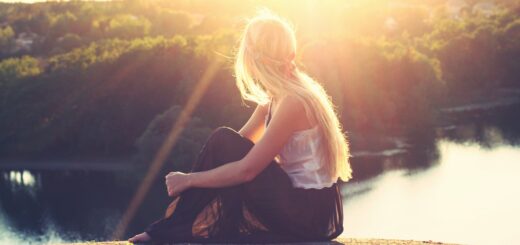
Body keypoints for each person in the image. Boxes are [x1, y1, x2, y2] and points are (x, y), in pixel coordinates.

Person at [128, 10, 352, 244]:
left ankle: (168, 230)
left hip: (308, 214)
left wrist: (189, 180)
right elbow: (229, 150)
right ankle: (173, 228)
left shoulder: (293, 102)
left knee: (223, 140)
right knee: (223, 139)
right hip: (305, 208)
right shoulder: (275, 100)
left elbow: (247, 170)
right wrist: (195, 183)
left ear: (251, 58)